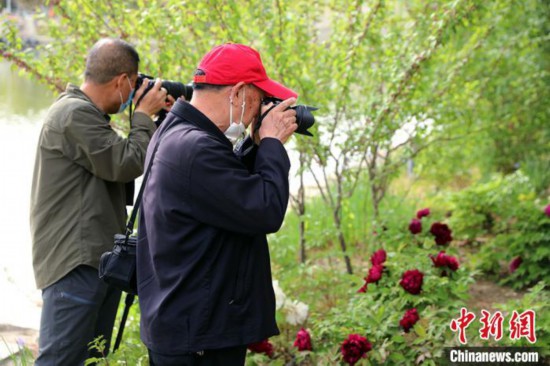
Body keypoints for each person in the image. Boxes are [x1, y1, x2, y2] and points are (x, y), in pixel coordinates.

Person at [137, 43, 298, 365]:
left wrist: (254, 146)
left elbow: (226, 195)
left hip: (187, 322)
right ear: (238, 92)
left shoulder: (176, 131)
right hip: (198, 335)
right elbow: (264, 210)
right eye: (258, 98)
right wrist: (270, 144)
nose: (259, 109)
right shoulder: (196, 147)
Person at [30, 38, 168, 365]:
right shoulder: (74, 114)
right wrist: (144, 116)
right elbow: (125, 163)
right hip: (76, 260)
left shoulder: (83, 113)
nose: (133, 96)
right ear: (121, 81)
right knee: (60, 359)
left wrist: (159, 119)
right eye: (133, 86)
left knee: (93, 356)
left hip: (94, 257)